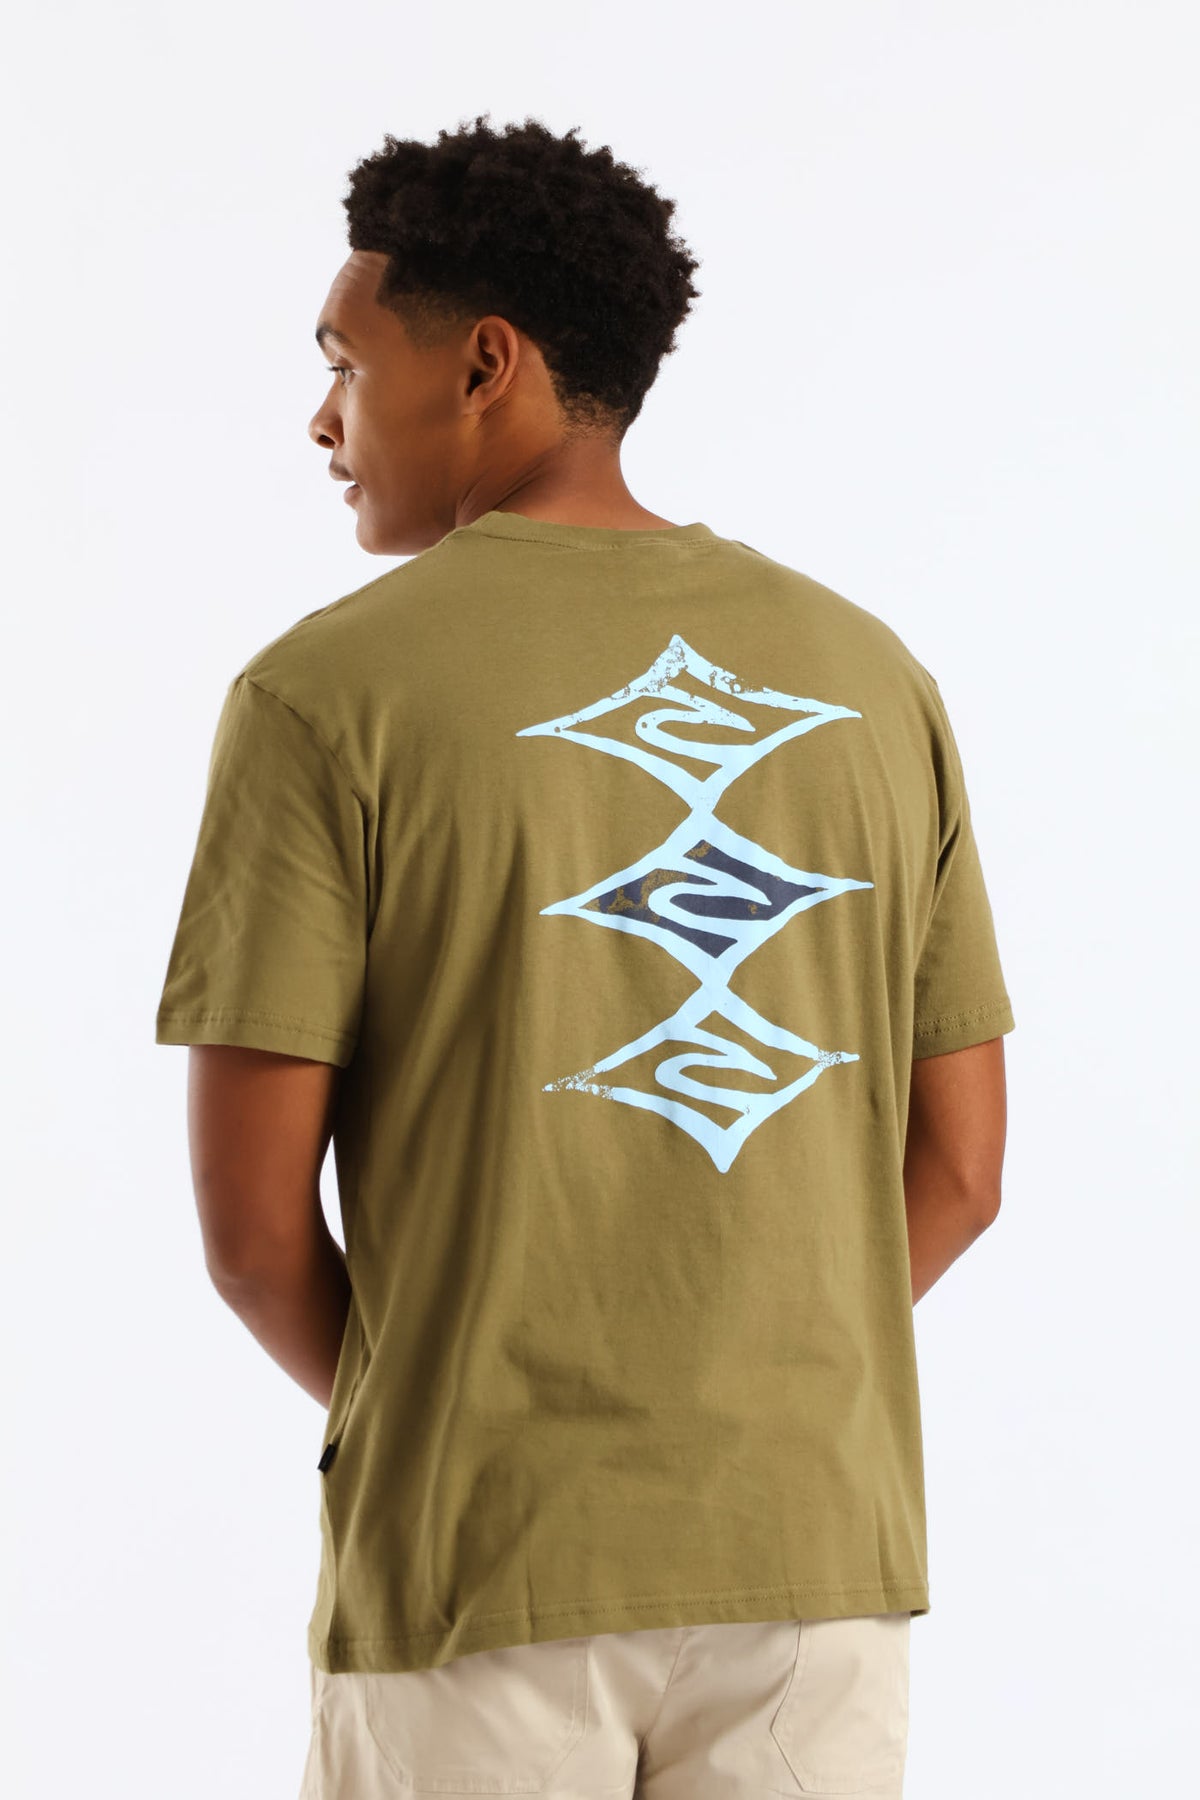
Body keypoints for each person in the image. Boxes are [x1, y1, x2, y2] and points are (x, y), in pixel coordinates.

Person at [155, 113, 1014, 1800]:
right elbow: (965, 1172)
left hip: (481, 1573)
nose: (322, 420)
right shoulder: (872, 678)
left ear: (485, 365)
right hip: (813, 1559)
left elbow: (255, 1241)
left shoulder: (324, 697)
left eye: (345, 365)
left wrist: (461, 1420)